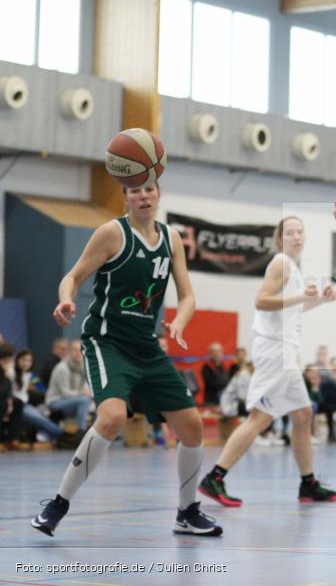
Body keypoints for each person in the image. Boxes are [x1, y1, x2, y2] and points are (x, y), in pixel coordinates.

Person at [31, 178, 221, 537]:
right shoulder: (111, 234)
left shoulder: (171, 239)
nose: (144, 196)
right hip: (107, 342)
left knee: (192, 427)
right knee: (112, 416)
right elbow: (72, 277)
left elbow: (188, 296)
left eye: (149, 189)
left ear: (159, 194)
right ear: (126, 198)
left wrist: (179, 322)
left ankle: (187, 512)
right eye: (135, 191)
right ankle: (58, 504)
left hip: (147, 347)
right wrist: (65, 300)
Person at [198, 216, 336, 508]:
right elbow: (261, 301)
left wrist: (319, 301)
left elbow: (290, 308)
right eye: (290, 232)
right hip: (274, 351)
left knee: (302, 415)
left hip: (286, 351)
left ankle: (308, 484)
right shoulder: (281, 264)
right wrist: (303, 296)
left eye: (301, 231)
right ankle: (215, 477)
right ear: (280, 238)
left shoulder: (293, 268)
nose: (297, 236)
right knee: (260, 418)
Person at [13, 349, 63, 442]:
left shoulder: (31, 376)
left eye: (29, 361)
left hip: (29, 405)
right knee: (41, 420)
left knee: (46, 412)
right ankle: (63, 434)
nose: (26, 363)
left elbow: (42, 391)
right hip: (18, 407)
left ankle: (45, 435)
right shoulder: (12, 373)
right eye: (23, 360)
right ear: (17, 360)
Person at [45, 340, 92, 432]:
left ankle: (96, 434)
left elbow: (86, 389)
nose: (78, 353)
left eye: (81, 350)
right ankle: (80, 432)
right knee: (84, 400)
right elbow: (65, 393)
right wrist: (82, 393)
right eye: (75, 350)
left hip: (72, 400)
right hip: (55, 402)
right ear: (70, 352)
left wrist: (89, 394)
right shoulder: (62, 368)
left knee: (98, 401)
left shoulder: (82, 368)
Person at [201, 342, 228, 408]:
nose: (217, 354)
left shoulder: (223, 366)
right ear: (210, 353)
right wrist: (226, 383)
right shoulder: (207, 367)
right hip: (212, 400)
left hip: (224, 399)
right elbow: (210, 383)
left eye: (219, 351)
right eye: (214, 352)